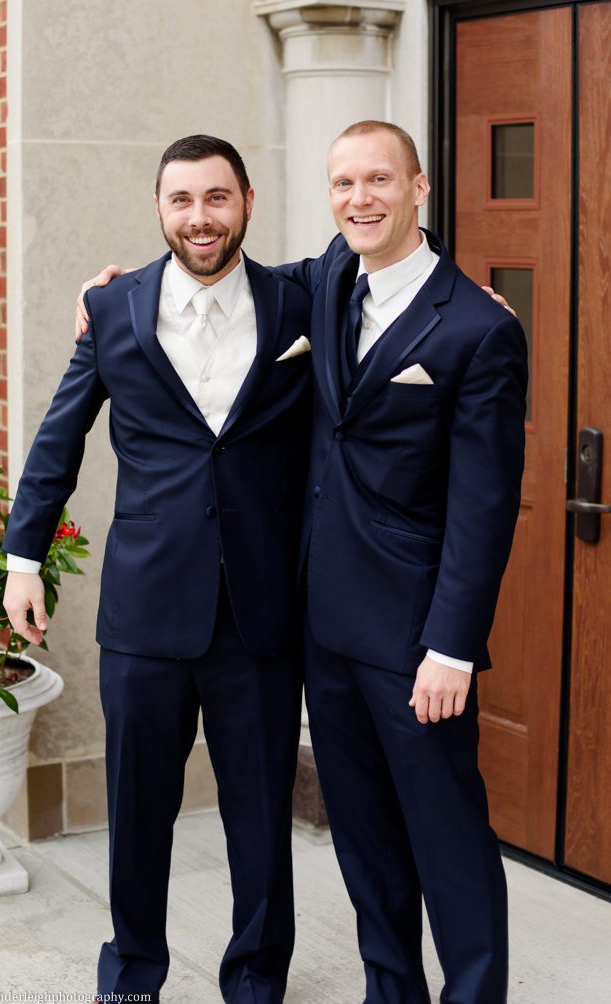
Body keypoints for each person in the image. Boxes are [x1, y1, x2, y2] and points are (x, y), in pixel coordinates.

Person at [76, 121, 526, 1004]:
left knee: (448, 842)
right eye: (344, 183)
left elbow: (484, 508)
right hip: (323, 626)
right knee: (364, 844)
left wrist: (453, 646)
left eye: (379, 181)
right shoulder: (325, 285)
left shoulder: (476, 325)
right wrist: (115, 292)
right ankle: (389, 991)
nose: (360, 199)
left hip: (415, 640)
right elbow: (232, 273)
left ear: (420, 187)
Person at [2, 135, 314, 1004]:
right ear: (158, 208)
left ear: (247, 201)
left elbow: (391, 269)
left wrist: (466, 291)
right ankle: (134, 972)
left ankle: (255, 978)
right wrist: (22, 556)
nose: (200, 218)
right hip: (145, 611)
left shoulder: (302, 301)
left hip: (258, 611)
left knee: (259, 814)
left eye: (217, 198)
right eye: (182, 200)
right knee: (139, 809)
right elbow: (59, 438)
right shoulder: (113, 309)